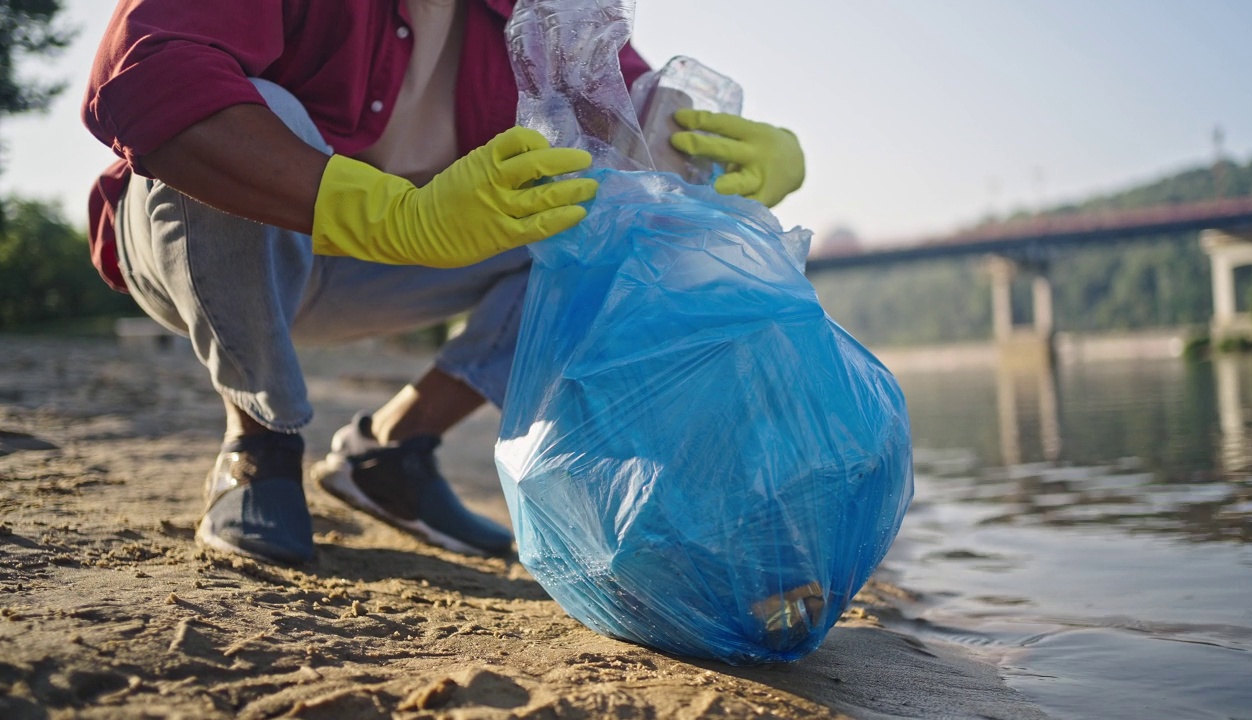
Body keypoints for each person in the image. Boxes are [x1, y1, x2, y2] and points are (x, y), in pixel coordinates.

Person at [82, 0, 805, 566]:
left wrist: (722, 165)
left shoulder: (548, 11)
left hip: (389, 273)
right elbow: (144, 77)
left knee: (597, 209)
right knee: (243, 110)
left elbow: (634, 134)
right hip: (209, 247)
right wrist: (389, 213)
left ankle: (392, 451)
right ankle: (259, 441)